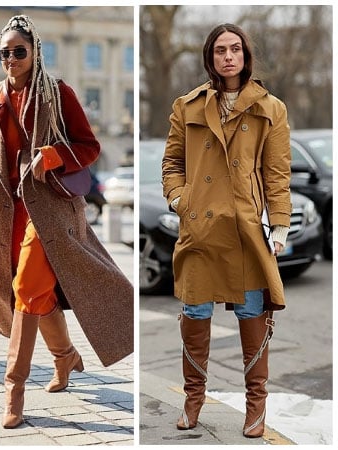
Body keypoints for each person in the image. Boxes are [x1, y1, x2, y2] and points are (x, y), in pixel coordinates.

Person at [0, 15, 133, 429]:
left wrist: (55, 155)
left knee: (27, 288)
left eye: (18, 51)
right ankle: (66, 358)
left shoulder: (57, 92)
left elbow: (90, 145)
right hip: (8, 210)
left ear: (35, 51)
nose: (11, 58)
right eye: (4, 52)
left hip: (50, 210)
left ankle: (14, 390)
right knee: (36, 295)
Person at [161, 23, 290, 438]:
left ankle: (256, 405)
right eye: (220, 50)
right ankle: (193, 398)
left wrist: (281, 225)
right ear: (210, 57)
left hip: (246, 230)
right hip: (199, 230)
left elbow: (276, 176)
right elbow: (171, 164)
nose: (228, 56)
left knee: (253, 313)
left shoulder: (271, 108)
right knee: (195, 313)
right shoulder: (188, 106)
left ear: (245, 55)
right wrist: (182, 200)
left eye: (235, 49)